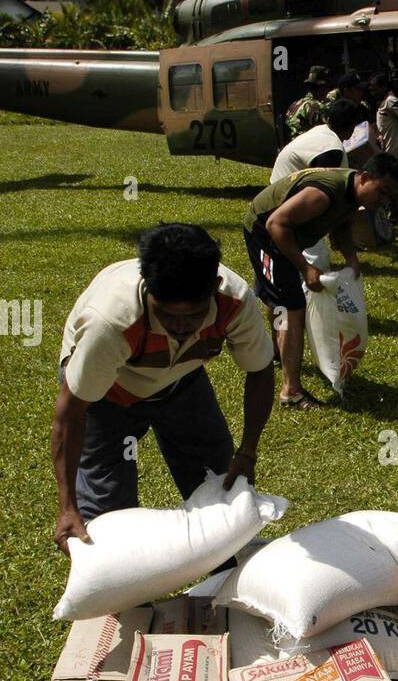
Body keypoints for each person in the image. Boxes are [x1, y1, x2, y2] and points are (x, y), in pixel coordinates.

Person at [52, 224, 275, 553]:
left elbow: (260, 370)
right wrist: (67, 506)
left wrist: (248, 452)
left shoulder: (234, 301)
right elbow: (71, 415)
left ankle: (229, 573)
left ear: (214, 288)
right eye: (168, 316)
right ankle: (119, 598)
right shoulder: (111, 322)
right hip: (109, 392)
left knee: (218, 485)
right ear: (148, 290)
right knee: (108, 510)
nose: (181, 327)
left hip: (182, 383)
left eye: (194, 316)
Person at [242, 155, 398, 410]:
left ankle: (276, 352)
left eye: (388, 196)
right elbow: (276, 224)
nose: (383, 200)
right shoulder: (325, 192)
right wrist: (305, 268)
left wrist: (351, 257)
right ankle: (290, 392)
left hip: (284, 232)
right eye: (382, 191)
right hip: (266, 234)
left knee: (281, 297)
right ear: (364, 177)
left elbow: (339, 227)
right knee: (293, 308)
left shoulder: (353, 195)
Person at [271, 98, 358, 182]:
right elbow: (321, 188)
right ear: (351, 127)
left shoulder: (322, 130)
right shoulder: (332, 149)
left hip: (280, 183)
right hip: (284, 192)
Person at [368, 73, 398, 160]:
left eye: (375, 90)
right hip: (388, 153)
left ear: (383, 87)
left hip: (397, 155)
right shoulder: (381, 102)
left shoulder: (392, 100)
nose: (373, 94)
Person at [284, 65, 331, 139]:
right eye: (326, 88)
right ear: (322, 89)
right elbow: (326, 134)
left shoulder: (294, 104)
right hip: (306, 147)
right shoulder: (317, 106)